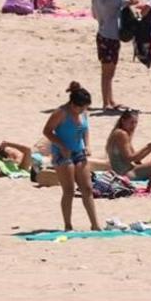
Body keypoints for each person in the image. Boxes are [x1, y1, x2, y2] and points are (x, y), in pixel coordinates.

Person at [42, 82, 101, 231]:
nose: (82, 110)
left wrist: (87, 145)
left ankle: (95, 224)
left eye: (85, 107)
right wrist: (62, 146)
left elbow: (85, 130)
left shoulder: (83, 112)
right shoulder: (61, 113)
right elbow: (47, 131)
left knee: (87, 189)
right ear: (73, 104)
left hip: (79, 151)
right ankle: (68, 224)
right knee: (69, 190)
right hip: (62, 154)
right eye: (80, 107)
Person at [92, 0, 139, 112]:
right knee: (108, 72)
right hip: (110, 37)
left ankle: (110, 100)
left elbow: (94, 15)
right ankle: (107, 102)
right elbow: (135, 0)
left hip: (103, 33)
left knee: (108, 72)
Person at [104, 110, 151, 178]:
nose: (134, 126)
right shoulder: (121, 134)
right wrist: (148, 147)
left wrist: (150, 148)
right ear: (123, 121)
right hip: (126, 173)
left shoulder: (118, 133)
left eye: (135, 122)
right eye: (131, 122)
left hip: (122, 171)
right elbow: (130, 158)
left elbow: (136, 159)